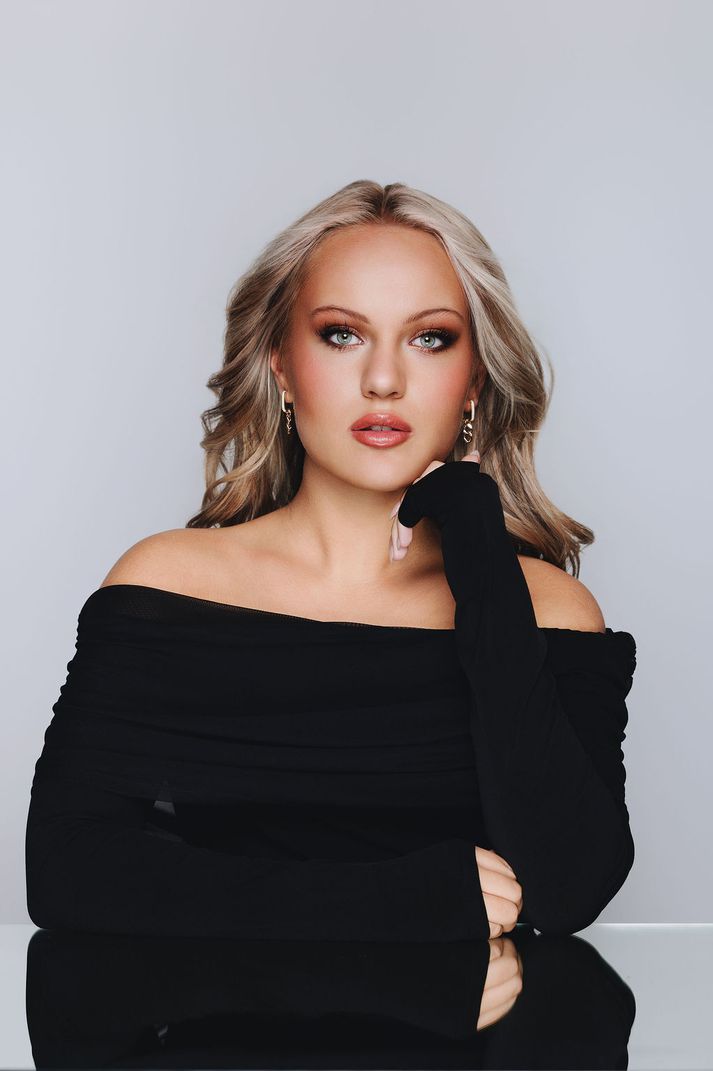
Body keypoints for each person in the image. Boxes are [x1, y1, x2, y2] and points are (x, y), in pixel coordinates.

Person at [25, 179, 637, 942]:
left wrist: (480, 553)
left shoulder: (546, 612)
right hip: (226, 1017)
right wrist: (394, 900)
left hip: (475, 1018)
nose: (383, 380)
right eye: (342, 334)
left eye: (430, 338)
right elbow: (66, 871)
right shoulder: (169, 586)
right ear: (280, 363)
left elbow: (569, 887)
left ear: (475, 379)